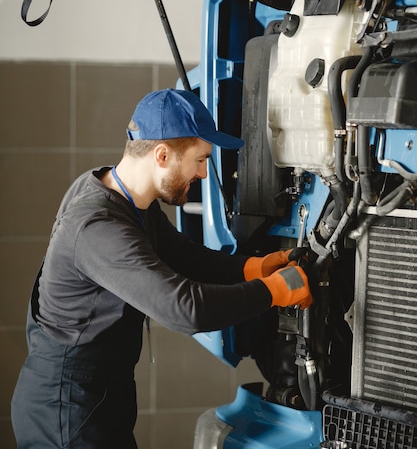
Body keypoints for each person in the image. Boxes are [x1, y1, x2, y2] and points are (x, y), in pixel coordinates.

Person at [11, 88, 312, 449]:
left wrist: (254, 267)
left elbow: (184, 256)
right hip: (65, 413)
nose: (203, 173)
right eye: (199, 160)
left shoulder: (127, 197)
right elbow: (185, 309)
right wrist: (275, 291)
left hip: (98, 398)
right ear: (162, 155)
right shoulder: (97, 226)